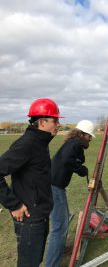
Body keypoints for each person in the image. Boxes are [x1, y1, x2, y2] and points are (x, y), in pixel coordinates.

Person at [0, 98, 62, 267]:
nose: (58, 124)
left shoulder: (41, 141)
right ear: (42, 122)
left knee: (34, 261)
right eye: (55, 120)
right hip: (30, 218)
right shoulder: (27, 144)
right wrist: (14, 205)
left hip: (40, 214)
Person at [46, 120, 95, 267]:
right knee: (59, 227)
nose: (90, 139)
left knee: (63, 220)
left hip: (53, 186)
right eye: (89, 136)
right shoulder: (75, 144)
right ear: (82, 134)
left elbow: (72, 159)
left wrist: (80, 164)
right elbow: (68, 160)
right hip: (54, 187)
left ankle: (59, 249)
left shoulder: (73, 143)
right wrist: (81, 169)